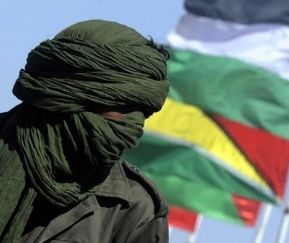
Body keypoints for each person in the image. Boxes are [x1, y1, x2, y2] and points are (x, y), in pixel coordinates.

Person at [0, 19, 170, 243]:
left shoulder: (131, 207)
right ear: (67, 98)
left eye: (142, 112)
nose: (134, 124)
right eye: (121, 106)